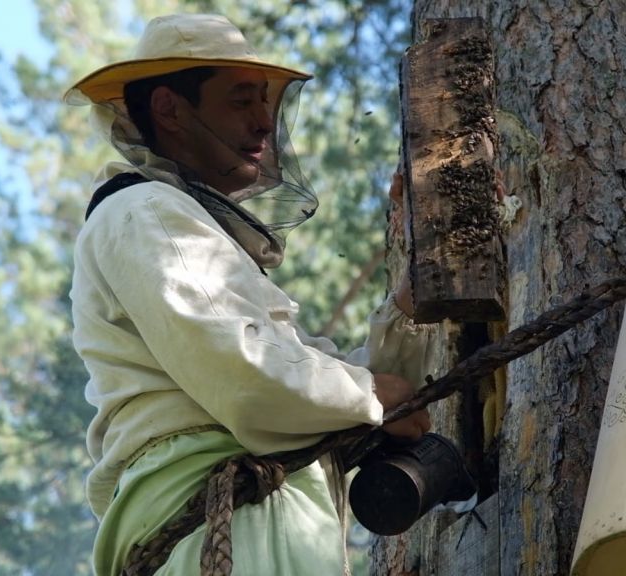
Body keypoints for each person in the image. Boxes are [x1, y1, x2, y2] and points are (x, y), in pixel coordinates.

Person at [65, 13, 439, 575]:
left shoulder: (191, 230)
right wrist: (368, 393)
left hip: (251, 516)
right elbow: (246, 376)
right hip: (226, 516)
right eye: (241, 102)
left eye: (265, 103)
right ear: (169, 109)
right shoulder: (145, 212)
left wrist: (407, 314)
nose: (265, 122)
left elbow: (313, 382)